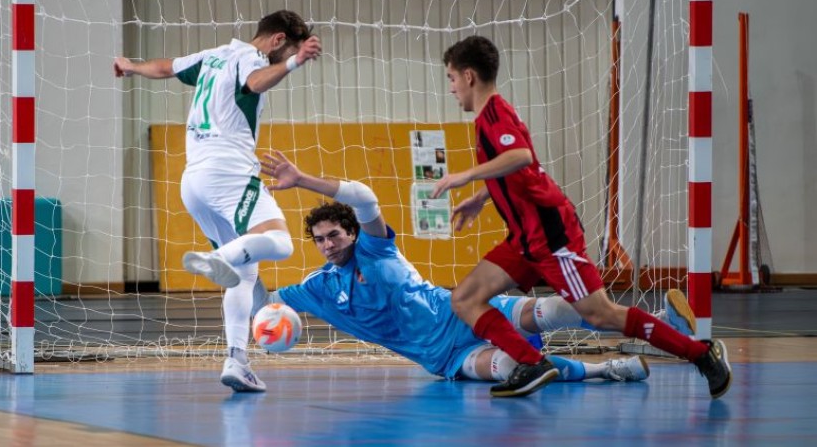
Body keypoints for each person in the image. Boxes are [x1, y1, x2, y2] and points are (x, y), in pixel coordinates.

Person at [430, 36, 731, 398]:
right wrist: (482, 196)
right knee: (464, 298)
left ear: (468, 76)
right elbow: (523, 170)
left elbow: (522, 156)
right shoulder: (492, 116)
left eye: (450, 78)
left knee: (601, 314)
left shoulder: (494, 113)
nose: (450, 88)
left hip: (551, 237)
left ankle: (702, 354)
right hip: (525, 239)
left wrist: (466, 176)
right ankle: (531, 363)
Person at [256, 150, 652, 387]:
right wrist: (234, 258)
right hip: (443, 357)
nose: (328, 245)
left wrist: (304, 180)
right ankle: (606, 370)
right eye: (320, 239)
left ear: (352, 233)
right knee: (510, 368)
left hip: (461, 311)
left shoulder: (375, 249)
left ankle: (657, 322)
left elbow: (364, 196)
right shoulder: (317, 287)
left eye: (335, 235)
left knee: (550, 310)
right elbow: (263, 302)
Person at [114, 10, 322, 393]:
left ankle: (237, 361)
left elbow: (165, 68)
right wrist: (295, 61)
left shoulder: (214, 55)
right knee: (280, 242)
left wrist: (131, 67)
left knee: (246, 273)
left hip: (193, 180)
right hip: (230, 173)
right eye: (286, 49)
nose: (284, 56)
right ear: (277, 41)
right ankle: (219, 259)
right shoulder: (253, 58)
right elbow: (256, 82)